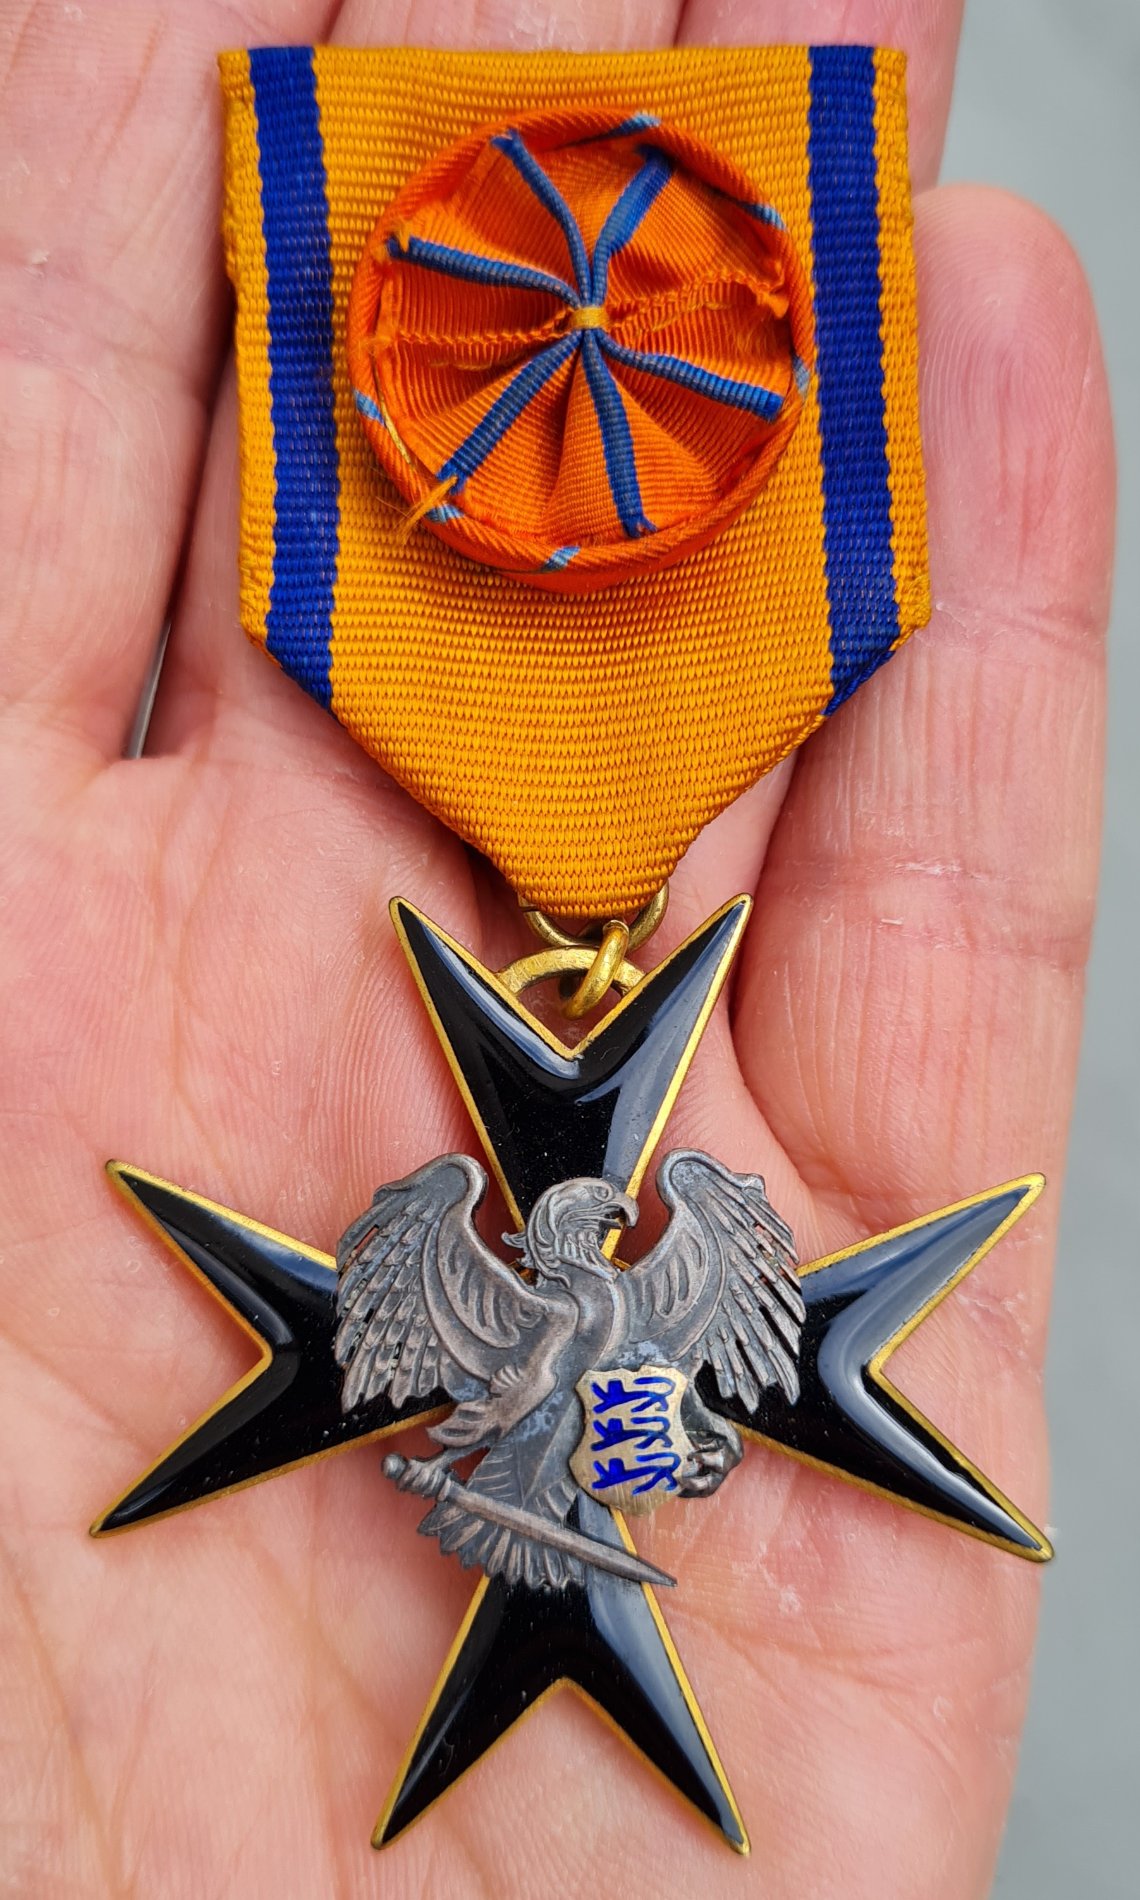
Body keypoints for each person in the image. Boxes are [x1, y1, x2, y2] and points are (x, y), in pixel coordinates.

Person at [0, 3, 1112, 1895]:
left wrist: (642, 1448)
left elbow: (649, 1369)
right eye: (588, 1225)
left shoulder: (631, 1294)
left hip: (563, 1457)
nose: (588, 1230)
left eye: (590, 1226)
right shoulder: (497, 1261)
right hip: (510, 1463)